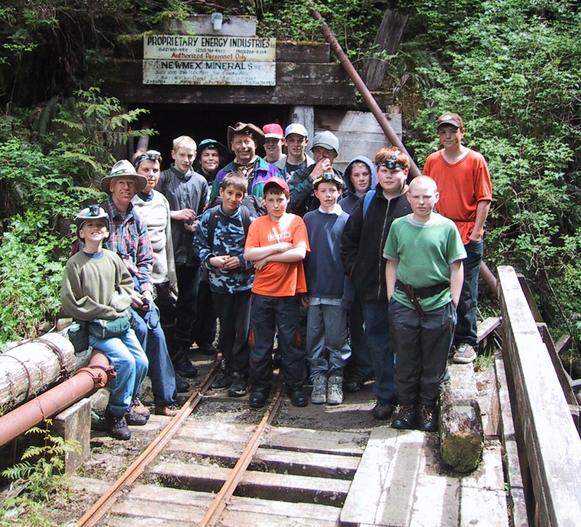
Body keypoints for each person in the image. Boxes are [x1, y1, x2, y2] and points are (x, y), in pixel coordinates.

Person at [384, 176, 466, 431]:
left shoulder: (447, 227)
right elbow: (392, 263)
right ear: (408, 197)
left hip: (439, 303)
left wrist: (453, 302)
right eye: (416, 196)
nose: (421, 202)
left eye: (427, 196)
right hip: (404, 303)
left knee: (434, 361)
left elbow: (457, 266)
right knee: (406, 359)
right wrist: (391, 297)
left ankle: (427, 408)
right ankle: (406, 407)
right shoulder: (398, 226)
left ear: (436, 197)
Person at [61, 205, 149, 440]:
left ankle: (129, 402)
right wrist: (101, 310)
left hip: (120, 323)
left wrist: (117, 305)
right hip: (99, 330)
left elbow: (126, 286)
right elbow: (71, 301)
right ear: (81, 232)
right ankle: (116, 413)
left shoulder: (112, 258)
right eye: (89, 225)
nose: (96, 229)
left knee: (141, 361)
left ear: (107, 231)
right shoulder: (75, 264)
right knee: (126, 362)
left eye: (100, 225)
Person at [101, 160, 179, 417]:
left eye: (130, 183)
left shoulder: (136, 218)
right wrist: (127, 294)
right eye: (121, 182)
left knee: (156, 331)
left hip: (137, 287)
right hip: (110, 292)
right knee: (140, 330)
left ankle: (164, 399)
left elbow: (145, 260)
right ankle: (131, 400)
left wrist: (145, 290)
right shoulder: (99, 219)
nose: (126, 187)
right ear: (111, 186)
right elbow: (94, 266)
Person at [341, 146, 412, 420]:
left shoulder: (412, 203)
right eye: (383, 170)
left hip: (407, 292)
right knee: (379, 343)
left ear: (405, 172)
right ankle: (385, 396)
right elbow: (348, 241)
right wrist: (356, 271)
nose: (388, 175)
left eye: (394, 170)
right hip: (371, 289)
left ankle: (407, 398)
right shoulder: (369, 201)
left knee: (405, 345)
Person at [423, 112, 492, 364]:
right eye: (443, 131)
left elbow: (484, 199)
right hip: (439, 232)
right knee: (438, 285)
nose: (448, 136)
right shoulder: (433, 160)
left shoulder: (475, 160)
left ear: (462, 131)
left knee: (465, 290)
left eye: (452, 130)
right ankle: (445, 339)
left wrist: (475, 234)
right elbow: (427, 194)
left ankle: (466, 341)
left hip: (466, 232)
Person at [244, 177, 310, 409]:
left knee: (291, 343)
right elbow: (249, 254)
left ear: (287, 199)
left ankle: (294, 386)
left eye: (280, 199)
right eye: (271, 200)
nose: (276, 204)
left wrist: (268, 257)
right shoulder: (257, 224)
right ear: (264, 201)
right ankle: (261, 387)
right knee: (260, 344)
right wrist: (280, 247)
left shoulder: (296, 222)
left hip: (289, 293)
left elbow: (300, 253)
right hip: (262, 293)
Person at [131, 150, 190, 396]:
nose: (151, 175)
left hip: (161, 275)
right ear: (137, 173)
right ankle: (143, 379)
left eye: (155, 170)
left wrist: (171, 277)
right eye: (146, 170)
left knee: (167, 326)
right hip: (136, 279)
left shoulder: (162, 201)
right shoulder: (130, 202)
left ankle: (169, 372)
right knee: (142, 329)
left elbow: (167, 241)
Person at [195, 174, 256, 397]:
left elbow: (257, 247)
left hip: (245, 285)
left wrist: (241, 260)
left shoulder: (249, 218)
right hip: (218, 284)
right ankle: (227, 367)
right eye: (229, 193)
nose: (233, 198)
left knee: (243, 329)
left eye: (238, 195)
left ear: (244, 196)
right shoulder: (209, 217)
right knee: (226, 327)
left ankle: (241, 373)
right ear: (221, 193)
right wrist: (211, 259)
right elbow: (199, 244)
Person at [156, 136, 208, 377]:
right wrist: (174, 214)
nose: (187, 160)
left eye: (191, 155)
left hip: (193, 253)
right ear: (173, 154)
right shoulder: (163, 178)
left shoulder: (200, 181)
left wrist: (197, 224)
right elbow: (149, 208)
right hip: (168, 254)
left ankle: (183, 352)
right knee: (168, 306)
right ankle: (169, 354)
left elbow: (205, 213)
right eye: (183, 155)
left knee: (190, 304)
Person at [303, 172, 351, 405]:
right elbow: (303, 257)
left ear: (340, 192)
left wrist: (348, 289)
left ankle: (336, 377)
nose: (328, 195)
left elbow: (351, 258)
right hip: (313, 290)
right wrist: (302, 289)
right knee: (314, 336)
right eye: (323, 190)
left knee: (337, 337)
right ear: (316, 193)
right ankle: (318, 376)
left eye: (333, 190)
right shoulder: (308, 219)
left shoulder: (346, 220)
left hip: (337, 290)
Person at [339, 156, 377, 393]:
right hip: (352, 272)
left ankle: (379, 367)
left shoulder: (380, 200)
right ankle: (361, 366)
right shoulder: (343, 204)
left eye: (365, 174)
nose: (361, 179)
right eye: (356, 175)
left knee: (377, 321)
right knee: (355, 320)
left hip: (378, 272)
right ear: (350, 178)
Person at [192, 138, 228, 357]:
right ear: (200, 158)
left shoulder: (224, 178)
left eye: (214, 156)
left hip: (219, 242)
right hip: (195, 241)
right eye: (206, 155)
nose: (211, 159)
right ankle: (197, 336)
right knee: (198, 293)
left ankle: (207, 339)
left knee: (212, 294)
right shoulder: (195, 180)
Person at [210, 122, 280, 203]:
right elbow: (213, 205)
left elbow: (282, 202)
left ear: (255, 144)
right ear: (232, 146)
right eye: (238, 142)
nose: (243, 146)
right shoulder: (222, 174)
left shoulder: (272, 172)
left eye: (247, 141)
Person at [288, 130, 343, 216]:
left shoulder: (341, 178)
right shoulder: (301, 175)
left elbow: (346, 206)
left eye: (327, 153)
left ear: (334, 156)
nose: (321, 157)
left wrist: (333, 180)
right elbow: (289, 203)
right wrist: (311, 178)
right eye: (318, 152)